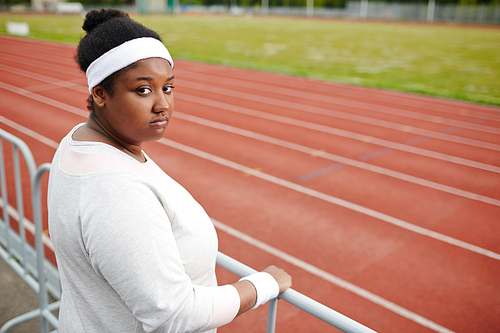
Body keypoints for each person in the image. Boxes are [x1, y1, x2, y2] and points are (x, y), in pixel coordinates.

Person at [47, 8, 292, 333]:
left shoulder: (78, 141)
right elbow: (173, 314)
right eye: (143, 90)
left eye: (169, 88)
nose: (163, 104)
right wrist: (263, 286)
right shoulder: (115, 193)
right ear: (100, 94)